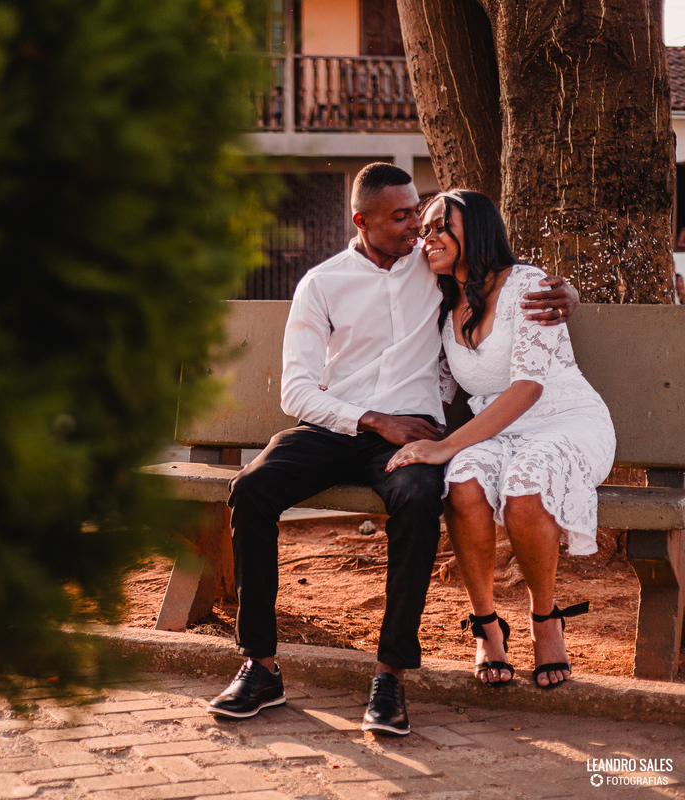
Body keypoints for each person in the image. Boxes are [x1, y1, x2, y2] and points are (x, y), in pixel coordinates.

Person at [206, 164, 579, 734]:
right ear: (362, 221)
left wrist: (564, 292)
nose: (418, 227)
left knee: (417, 498)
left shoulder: (432, 270)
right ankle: (259, 663)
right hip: (339, 427)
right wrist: (373, 419)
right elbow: (297, 391)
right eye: (402, 216)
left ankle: (391, 674)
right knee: (252, 490)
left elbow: (501, 274)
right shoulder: (322, 283)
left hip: (415, 437)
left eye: (419, 213)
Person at [388, 189, 614, 689]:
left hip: (563, 420)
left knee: (525, 487)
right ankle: (487, 627)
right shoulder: (443, 304)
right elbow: (435, 386)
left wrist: (445, 446)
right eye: (423, 229)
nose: (428, 238)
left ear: (479, 228)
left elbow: (529, 387)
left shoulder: (529, 286)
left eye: (439, 225)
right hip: (498, 429)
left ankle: (545, 620)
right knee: (464, 483)